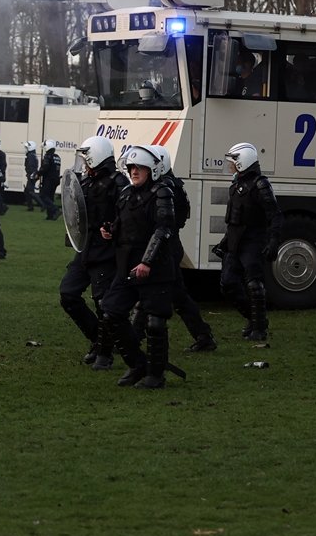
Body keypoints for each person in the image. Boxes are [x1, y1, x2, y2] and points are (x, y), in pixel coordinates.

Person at [99, 146, 180, 389]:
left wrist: (147, 261)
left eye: (139, 167)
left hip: (154, 269)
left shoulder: (162, 193)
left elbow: (163, 229)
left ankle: (155, 375)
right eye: (132, 167)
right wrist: (110, 230)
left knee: (155, 322)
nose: (134, 171)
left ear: (152, 169)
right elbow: (124, 224)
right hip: (127, 268)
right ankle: (138, 365)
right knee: (111, 311)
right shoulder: (125, 193)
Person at [136, 145, 217, 353]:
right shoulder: (172, 185)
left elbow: (168, 223)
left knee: (152, 296)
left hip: (167, 248)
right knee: (176, 296)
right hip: (169, 246)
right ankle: (203, 335)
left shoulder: (167, 188)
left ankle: (132, 337)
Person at [57, 136, 127, 369]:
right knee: (68, 294)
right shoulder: (85, 182)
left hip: (107, 254)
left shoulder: (119, 183)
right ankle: (98, 340)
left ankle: (105, 354)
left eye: (87, 158)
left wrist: (113, 229)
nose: (84, 163)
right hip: (85, 250)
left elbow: (128, 217)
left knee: (103, 304)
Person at [213, 142, 283, 341]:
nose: (230, 165)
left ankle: (259, 328)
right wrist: (224, 243)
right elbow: (234, 220)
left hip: (253, 241)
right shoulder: (236, 185)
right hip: (235, 243)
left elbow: (275, 215)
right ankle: (254, 319)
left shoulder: (260, 185)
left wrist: (273, 242)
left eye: (233, 161)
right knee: (227, 284)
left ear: (242, 162)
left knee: (254, 284)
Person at [37, 139, 61, 220]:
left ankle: (56, 210)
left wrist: (38, 173)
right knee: (50, 197)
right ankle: (50, 215)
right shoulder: (57, 157)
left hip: (48, 179)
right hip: (56, 179)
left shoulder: (48, 156)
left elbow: (45, 168)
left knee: (43, 195)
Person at [22, 140, 39, 211]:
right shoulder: (32, 155)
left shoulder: (31, 156)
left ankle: (43, 204)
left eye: (26, 147)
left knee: (30, 191)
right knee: (27, 191)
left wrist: (31, 175)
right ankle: (30, 206)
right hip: (32, 175)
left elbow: (31, 166)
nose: (25, 149)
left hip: (31, 175)